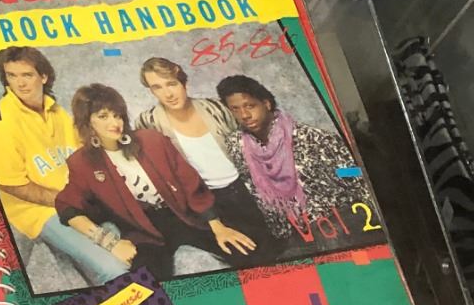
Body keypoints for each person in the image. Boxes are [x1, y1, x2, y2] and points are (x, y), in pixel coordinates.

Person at [56, 83, 257, 281]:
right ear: (87, 122)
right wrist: (110, 243)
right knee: (144, 292)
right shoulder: (81, 163)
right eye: (103, 116)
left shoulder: (151, 140)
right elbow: (67, 207)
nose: (115, 122)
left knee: (251, 252)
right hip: (144, 233)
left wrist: (217, 226)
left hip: (185, 217)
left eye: (117, 115)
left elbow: (190, 183)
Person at [0, 46, 137, 289]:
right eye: (12, 75)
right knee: (113, 268)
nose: (20, 83)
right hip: (37, 211)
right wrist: (69, 201)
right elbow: (11, 184)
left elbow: (83, 155)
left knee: (133, 250)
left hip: (73, 200)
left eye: (27, 75)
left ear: (43, 76)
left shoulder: (57, 111)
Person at [216, 74, 376, 243]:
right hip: (288, 232)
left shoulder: (313, 138)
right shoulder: (237, 144)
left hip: (338, 222)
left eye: (250, 106)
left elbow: (355, 173)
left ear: (266, 104)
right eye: (235, 109)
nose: (244, 115)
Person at [135, 56, 268, 253]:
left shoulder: (216, 108)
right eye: (157, 87)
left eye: (171, 84)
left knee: (276, 244)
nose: (168, 94)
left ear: (184, 83)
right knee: (244, 255)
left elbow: (253, 142)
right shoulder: (148, 123)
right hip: (203, 203)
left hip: (247, 189)